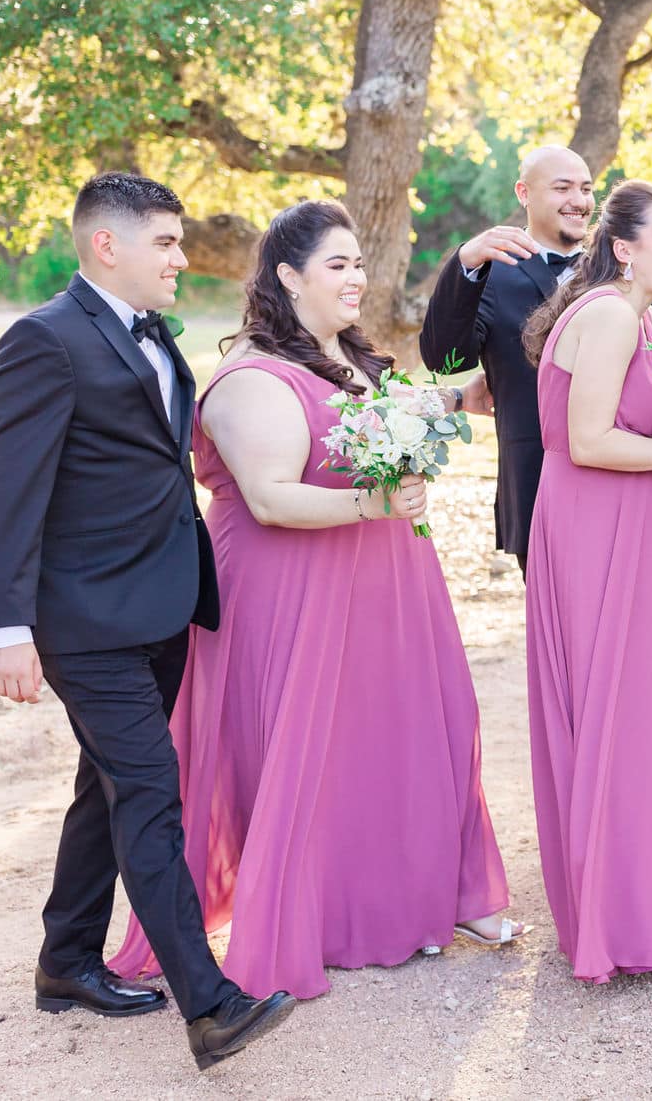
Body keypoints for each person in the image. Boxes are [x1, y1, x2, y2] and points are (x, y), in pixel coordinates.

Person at [109, 199, 520, 1002]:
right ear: (289, 277)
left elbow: (374, 414)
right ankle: (320, 916)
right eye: (339, 264)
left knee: (392, 734)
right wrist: (375, 506)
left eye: (360, 262)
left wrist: (460, 397)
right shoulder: (253, 375)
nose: (358, 277)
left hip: (384, 584)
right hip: (292, 589)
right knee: (313, 745)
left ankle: (407, 901)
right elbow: (268, 497)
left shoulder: (350, 358)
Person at [0, 172, 295, 1070]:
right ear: (106, 244)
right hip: (84, 619)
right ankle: (211, 1004)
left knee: (103, 785)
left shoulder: (151, 337)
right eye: (165, 242)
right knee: (151, 790)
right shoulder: (43, 341)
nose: (182, 258)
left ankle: (66, 959)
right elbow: (1, 488)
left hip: (159, 605)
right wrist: (1, 623)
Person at [518, 180, 652, 980]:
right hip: (600, 524)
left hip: (643, 524)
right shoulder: (611, 314)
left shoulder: (641, 316)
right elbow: (588, 441)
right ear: (623, 247)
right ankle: (628, 919)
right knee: (623, 711)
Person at [419, 145, 596, 569]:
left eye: (587, 189)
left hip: (627, 481)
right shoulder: (491, 272)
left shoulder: (618, 267)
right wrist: (463, 264)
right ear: (524, 193)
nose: (580, 200)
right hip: (536, 483)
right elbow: (444, 359)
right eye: (563, 187)